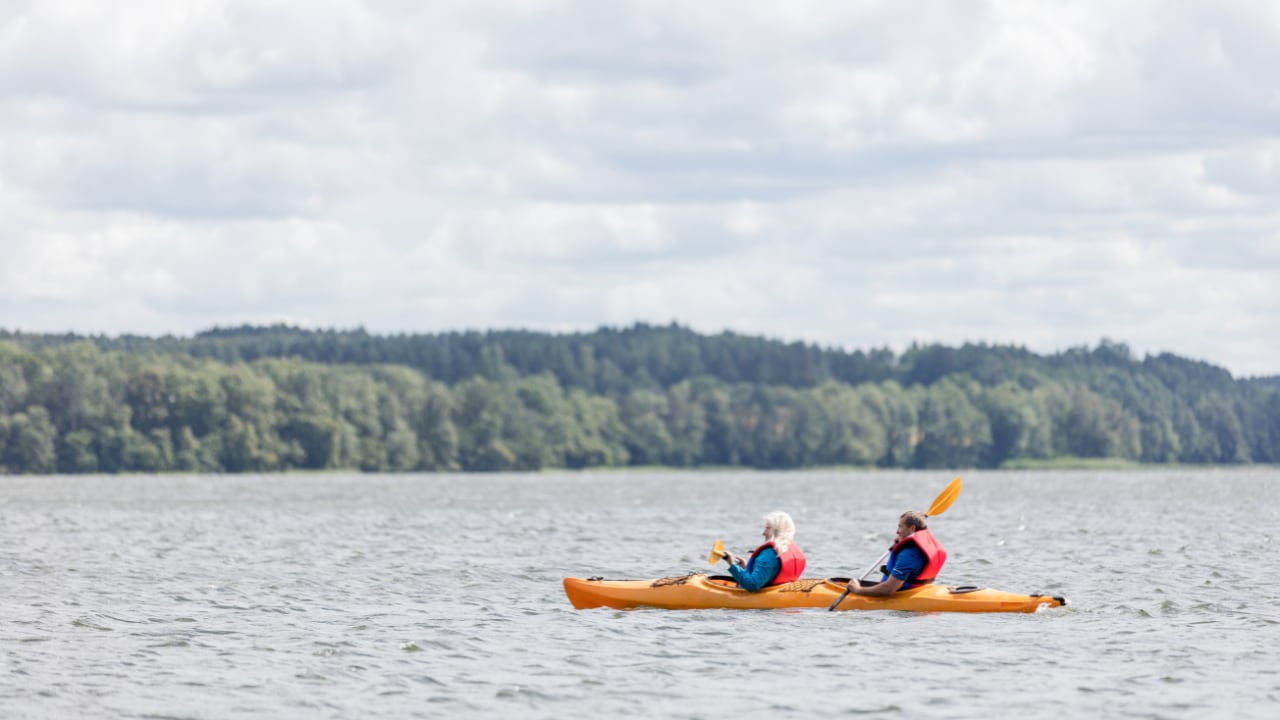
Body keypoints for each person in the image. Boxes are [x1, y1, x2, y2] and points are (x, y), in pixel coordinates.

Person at [843, 510, 946, 597]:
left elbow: (889, 589)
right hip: (922, 591)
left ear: (912, 528)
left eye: (900, 527)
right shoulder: (919, 547)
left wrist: (857, 590)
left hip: (904, 595)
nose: (897, 531)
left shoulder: (909, 553)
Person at [720, 511, 807, 591]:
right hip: (780, 594)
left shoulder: (768, 554)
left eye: (768, 528)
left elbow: (752, 585)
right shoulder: (789, 550)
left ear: (776, 531)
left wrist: (731, 564)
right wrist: (746, 568)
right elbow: (769, 575)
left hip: (757, 598)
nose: (763, 533)